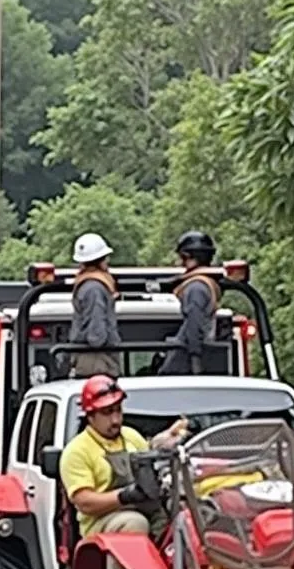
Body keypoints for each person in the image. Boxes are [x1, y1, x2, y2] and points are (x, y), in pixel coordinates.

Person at [59, 376, 181, 539]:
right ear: (90, 415)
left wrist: (166, 442)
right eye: (107, 413)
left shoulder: (131, 436)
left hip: (147, 510)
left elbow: (152, 459)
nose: (115, 419)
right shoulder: (77, 451)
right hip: (100, 522)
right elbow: (84, 502)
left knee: (183, 520)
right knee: (135, 523)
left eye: (118, 410)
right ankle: (132, 565)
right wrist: (125, 495)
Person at [159, 231, 220, 376]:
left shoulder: (196, 288)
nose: (181, 263)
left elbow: (194, 323)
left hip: (183, 361)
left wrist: (195, 359)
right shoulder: (206, 284)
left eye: (183, 257)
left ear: (191, 257)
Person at [68, 232, 121, 379]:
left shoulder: (88, 285)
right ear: (101, 260)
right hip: (97, 363)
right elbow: (96, 336)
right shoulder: (95, 288)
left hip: (91, 361)